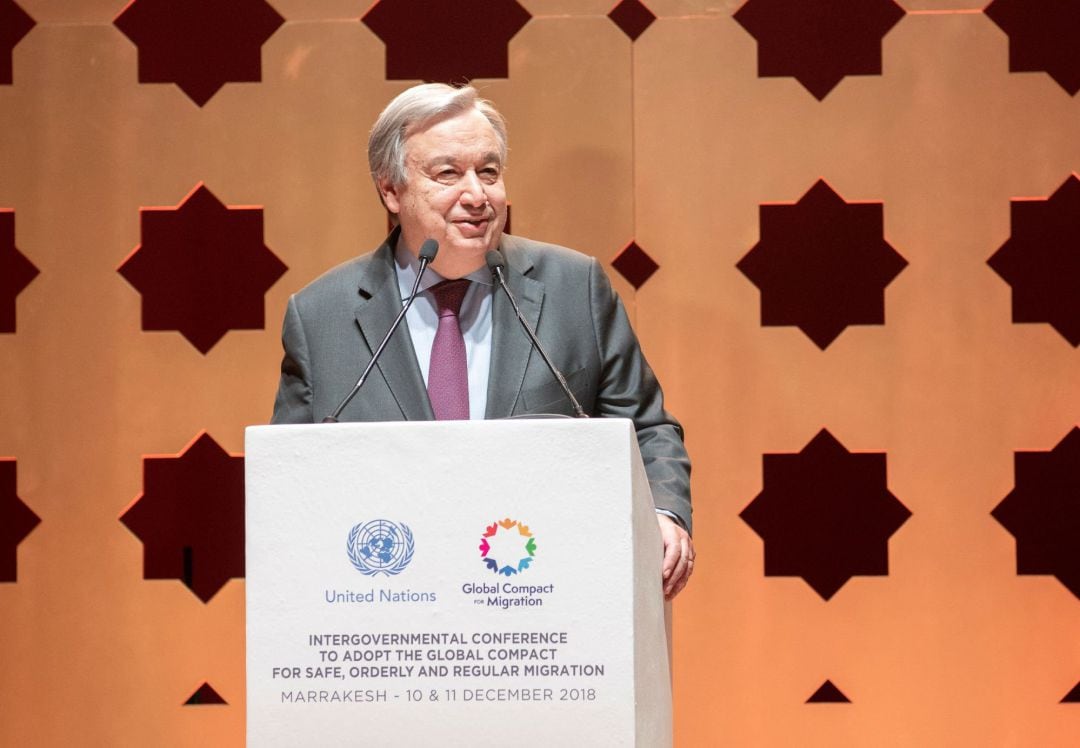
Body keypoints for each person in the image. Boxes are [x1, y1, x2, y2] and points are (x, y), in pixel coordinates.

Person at [271, 83, 694, 598]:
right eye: (448, 173)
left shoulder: (573, 287)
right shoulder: (322, 317)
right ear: (390, 189)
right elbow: (289, 481)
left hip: (547, 597)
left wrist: (663, 513)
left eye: (488, 172)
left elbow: (646, 427)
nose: (477, 195)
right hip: (387, 611)